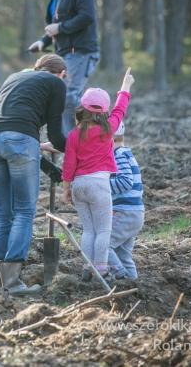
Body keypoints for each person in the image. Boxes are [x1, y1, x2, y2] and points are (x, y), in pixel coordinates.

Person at [0, 53, 68, 295]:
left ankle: (2, 282)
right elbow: (57, 134)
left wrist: (37, 146)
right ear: (61, 73)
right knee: (23, 211)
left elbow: (9, 117)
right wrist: (79, 149)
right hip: (20, 140)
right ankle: (13, 283)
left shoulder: (14, 77)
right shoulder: (56, 84)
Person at [61, 68, 134, 281]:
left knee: (88, 231)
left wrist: (67, 188)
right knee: (104, 231)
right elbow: (120, 109)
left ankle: (87, 266)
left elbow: (68, 163)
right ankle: (101, 269)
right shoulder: (108, 129)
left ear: (82, 108)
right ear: (104, 111)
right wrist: (126, 86)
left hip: (79, 186)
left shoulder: (74, 134)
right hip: (99, 185)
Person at [28, 0, 99, 135]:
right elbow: (53, 25)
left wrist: (60, 28)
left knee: (68, 96)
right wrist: (43, 42)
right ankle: (60, 139)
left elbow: (87, 17)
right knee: (57, 95)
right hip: (63, 52)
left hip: (81, 52)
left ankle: (73, 141)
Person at [107, 121, 144, 281]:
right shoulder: (126, 153)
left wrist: (101, 186)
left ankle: (120, 277)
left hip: (125, 212)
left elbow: (125, 181)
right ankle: (133, 283)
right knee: (123, 254)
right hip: (135, 213)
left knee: (103, 245)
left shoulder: (119, 155)